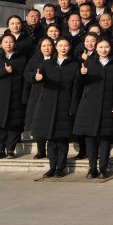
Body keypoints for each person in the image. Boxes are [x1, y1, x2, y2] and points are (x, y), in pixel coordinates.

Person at [72, 38, 113, 179]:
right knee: (90, 138)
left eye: (106, 47)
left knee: (105, 138)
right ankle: (92, 168)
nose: (103, 50)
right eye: (100, 47)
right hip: (89, 106)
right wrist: (81, 74)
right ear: (96, 48)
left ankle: (103, 169)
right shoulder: (88, 63)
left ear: (110, 48)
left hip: (108, 105)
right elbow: (78, 85)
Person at [31, 38, 80, 178]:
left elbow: (76, 88)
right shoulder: (47, 63)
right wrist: (36, 77)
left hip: (65, 105)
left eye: (66, 45)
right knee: (51, 139)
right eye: (60, 45)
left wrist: (73, 107)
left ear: (70, 47)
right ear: (55, 47)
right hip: (48, 106)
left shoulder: (74, 65)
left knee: (62, 139)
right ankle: (52, 167)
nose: (63, 48)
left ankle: (60, 168)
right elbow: (32, 76)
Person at [0, 32, 28, 159]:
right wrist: (4, 71)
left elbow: (25, 78)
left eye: (11, 42)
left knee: (14, 125)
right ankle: (0, 150)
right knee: (0, 125)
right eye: (6, 42)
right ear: (1, 44)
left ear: (15, 44)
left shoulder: (22, 59)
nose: (9, 44)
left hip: (16, 96)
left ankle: (10, 150)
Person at [23, 37, 55, 159]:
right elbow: (26, 73)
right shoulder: (35, 59)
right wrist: (34, 77)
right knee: (38, 123)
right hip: (37, 95)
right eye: (44, 46)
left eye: (49, 45)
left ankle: (52, 150)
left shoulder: (57, 58)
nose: (46, 48)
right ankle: (41, 150)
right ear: (40, 48)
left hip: (53, 94)